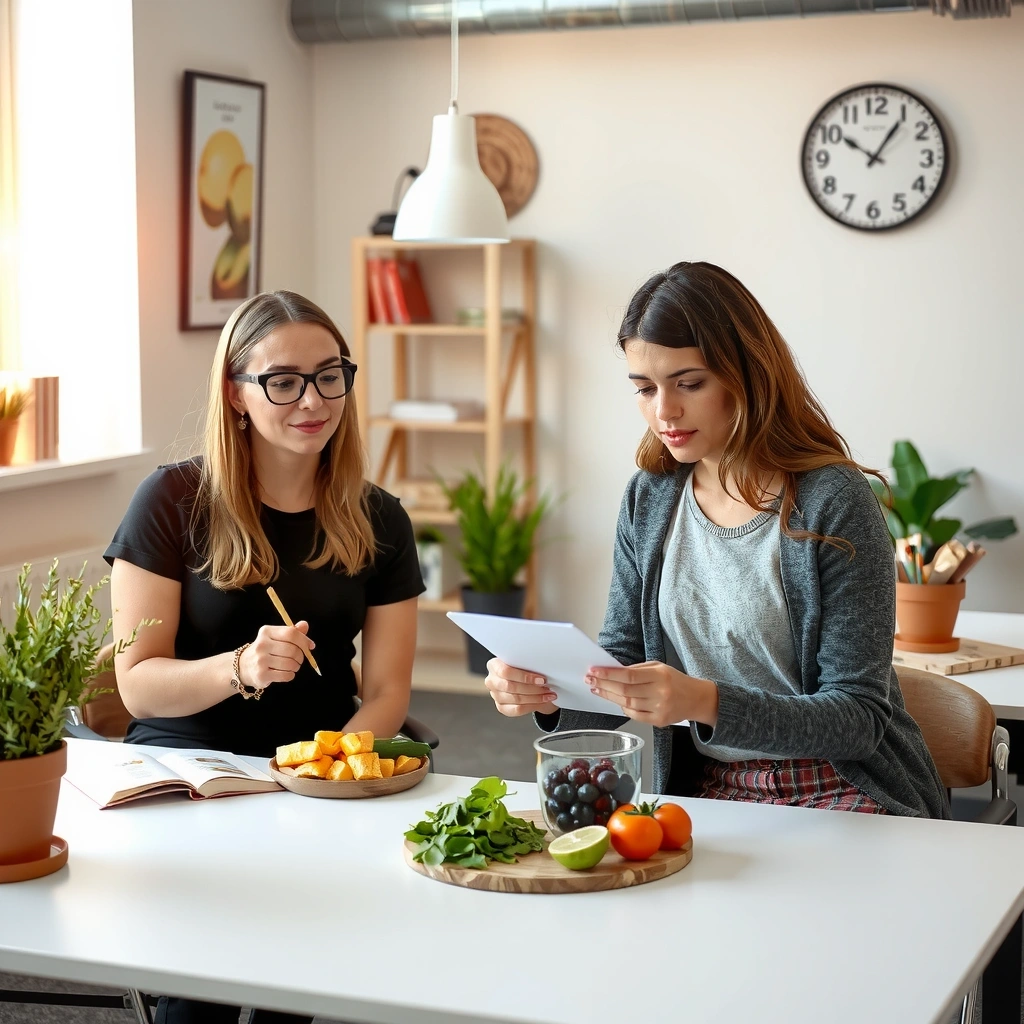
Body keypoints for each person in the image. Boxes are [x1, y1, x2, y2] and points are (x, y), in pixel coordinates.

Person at [484, 262, 948, 819]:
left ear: (747, 374)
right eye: (644, 389)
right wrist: (547, 691)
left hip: (843, 786)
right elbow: (623, 659)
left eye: (689, 383)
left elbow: (858, 720)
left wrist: (702, 700)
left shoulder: (833, 499)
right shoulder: (651, 497)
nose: (664, 412)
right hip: (712, 787)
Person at [105, 290, 425, 1024]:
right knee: (203, 989)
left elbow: (387, 691)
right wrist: (239, 668)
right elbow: (139, 689)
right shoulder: (171, 501)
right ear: (236, 393)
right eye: (282, 380)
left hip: (312, 777)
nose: (312, 399)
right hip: (191, 772)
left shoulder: (378, 517)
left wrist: (328, 766)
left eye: (329, 375)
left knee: (295, 981)